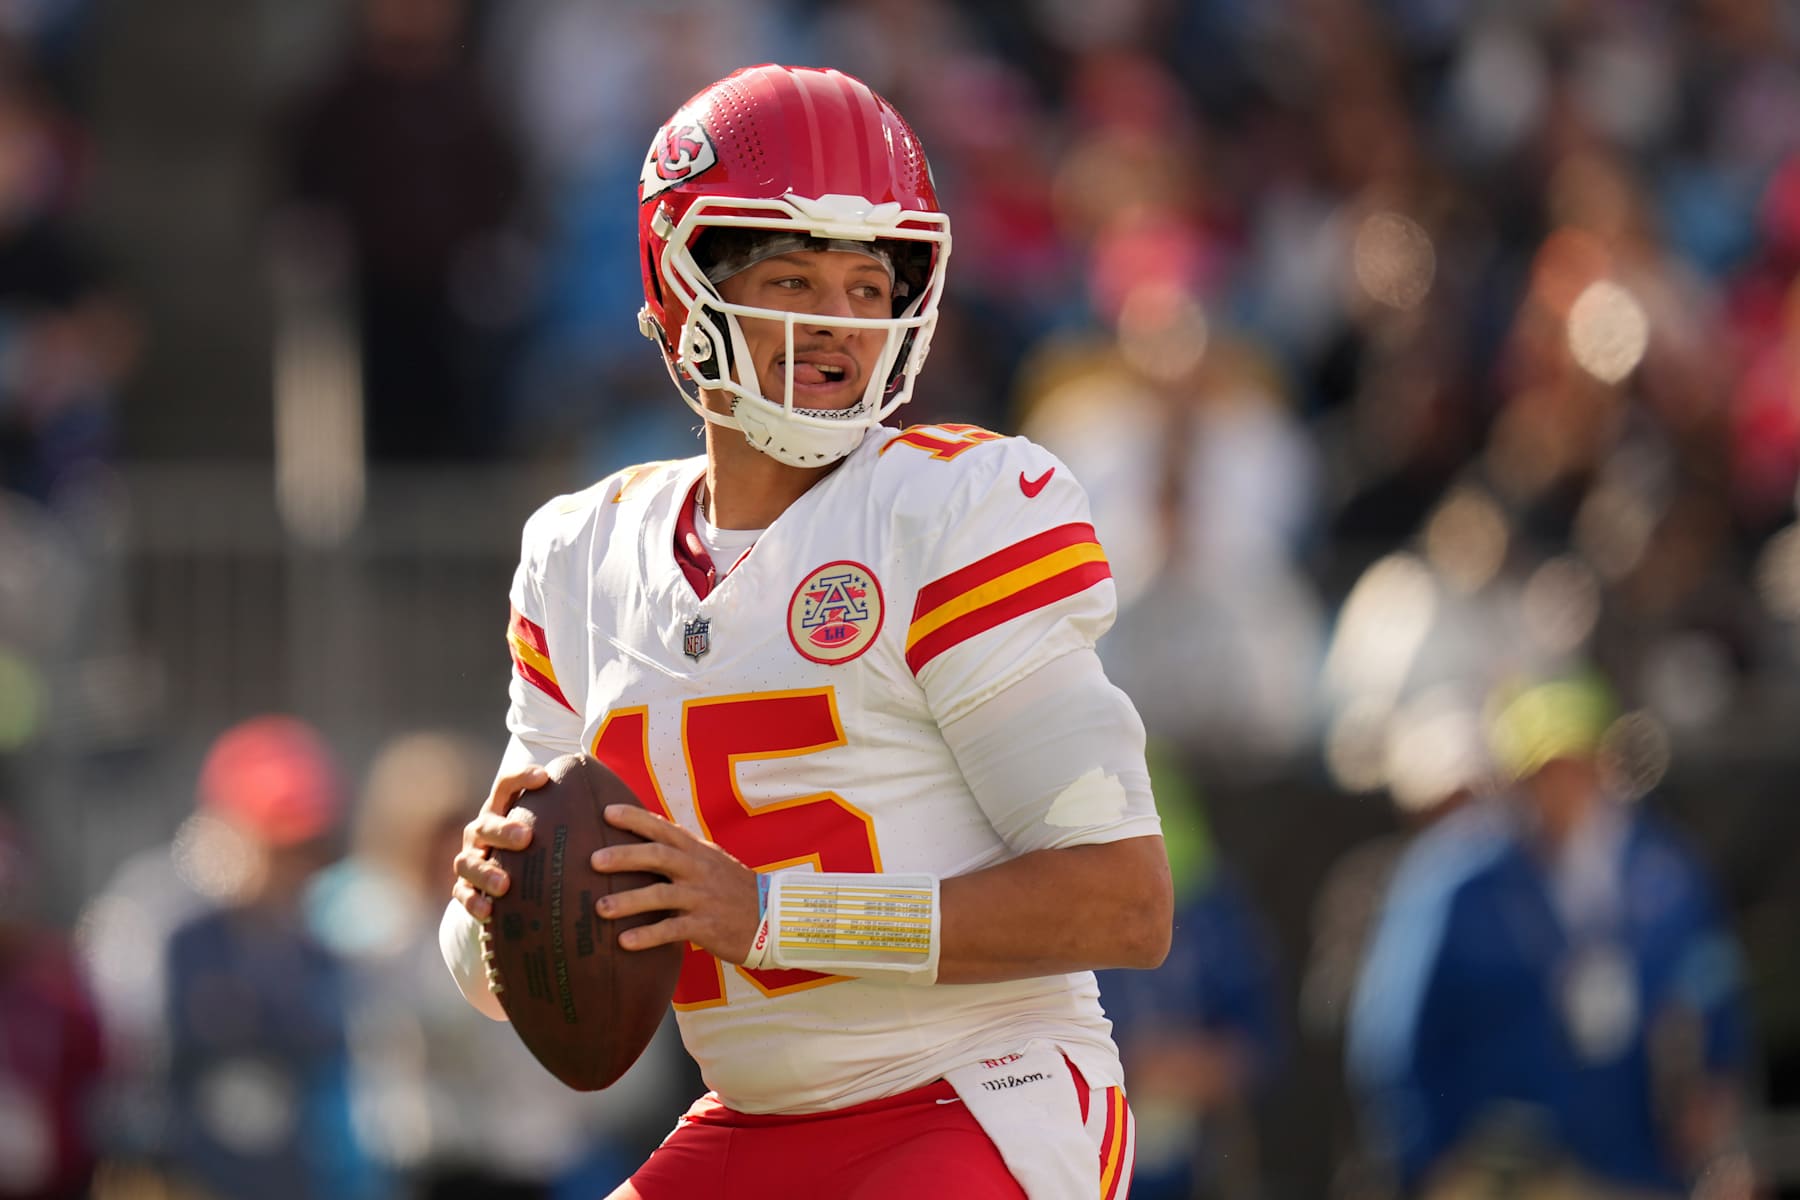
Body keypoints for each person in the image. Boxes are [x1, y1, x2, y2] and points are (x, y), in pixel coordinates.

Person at [439, 63, 1172, 1200]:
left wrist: (774, 916)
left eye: (868, 287)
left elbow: (1120, 902)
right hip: (755, 1119)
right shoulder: (584, 553)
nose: (840, 325)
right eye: (792, 278)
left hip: (978, 1096)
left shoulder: (953, 510)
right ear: (683, 291)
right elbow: (500, 976)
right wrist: (485, 906)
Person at [1346, 674, 1755, 1199]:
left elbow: (1713, 999)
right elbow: (1393, 1040)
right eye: (1544, 772)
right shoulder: (1451, 881)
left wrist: (1717, 1128)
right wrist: (1429, 1163)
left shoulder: (1665, 874)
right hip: (1500, 1173)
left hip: (1637, 1167)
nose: (1564, 787)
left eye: (1578, 765)